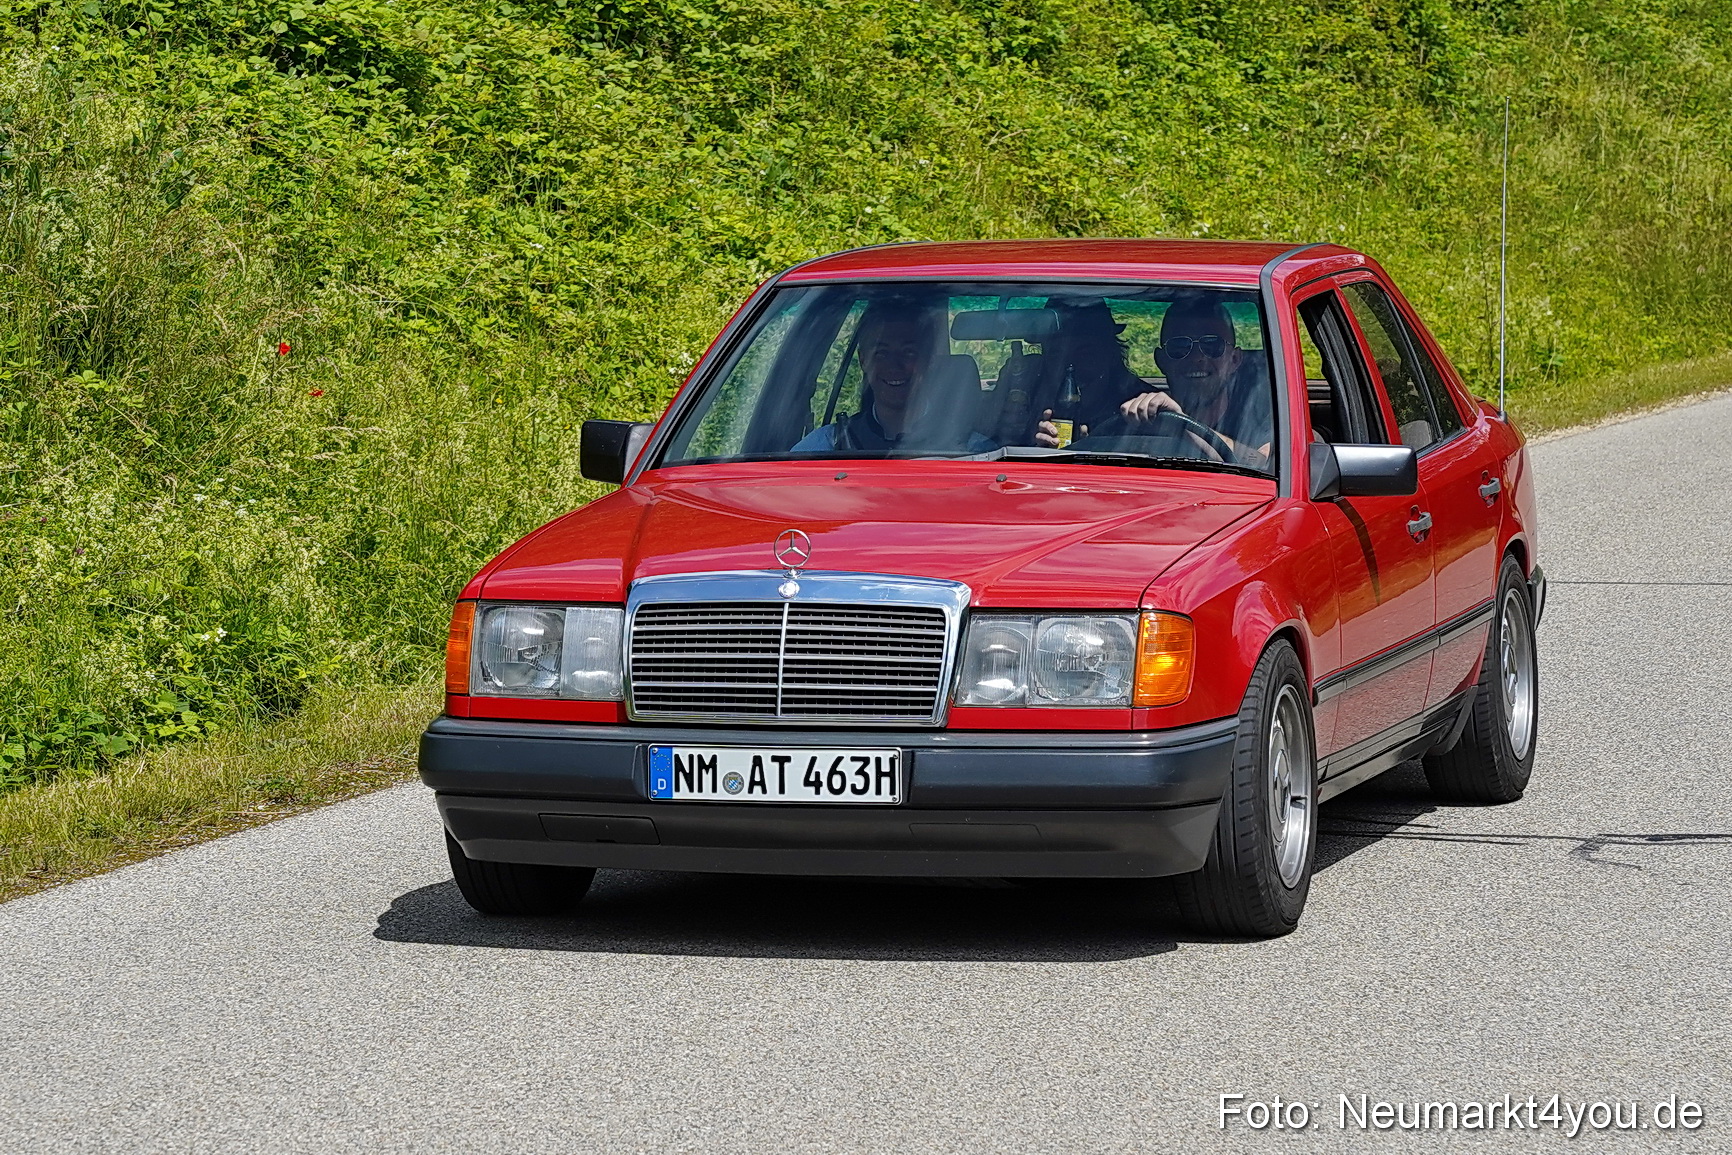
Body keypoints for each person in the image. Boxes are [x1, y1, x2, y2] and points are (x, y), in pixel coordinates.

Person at [1038, 297, 1272, 468]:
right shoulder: (1134, 419)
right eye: (1180, 348)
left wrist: (1183, 426)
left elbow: (1263, 465)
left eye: (1212, 346)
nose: (1197, 358)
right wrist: (1065, 453)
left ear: (1234, 359)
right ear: (1161, 361)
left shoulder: (1266, 412)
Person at [795, 299, 993, 453]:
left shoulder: (974, 451)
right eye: (881, 353)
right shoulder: (827, 446)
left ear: (929, 361)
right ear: (863, 360)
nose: (894, 366)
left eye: (909, 353)